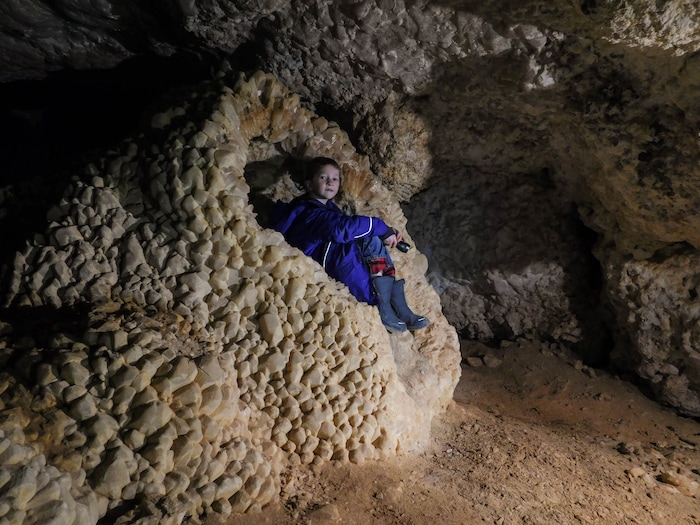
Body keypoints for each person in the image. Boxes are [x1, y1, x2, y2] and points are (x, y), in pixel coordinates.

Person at [270, 156, 429, 332]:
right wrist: (380, 227)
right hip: (327, 264)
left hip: (334, 258)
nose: (330, 182)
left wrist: (383, 232)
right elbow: (341, 229)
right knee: (360, 242)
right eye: (323, 177)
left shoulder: (328, 208)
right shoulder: (308, 212)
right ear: (309, 184)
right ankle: (379, 304)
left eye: (335, 179)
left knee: (371, 238)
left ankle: (398, 306)